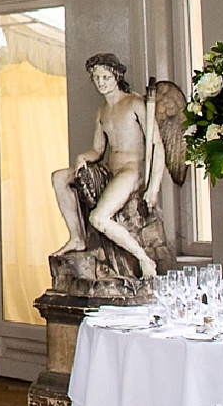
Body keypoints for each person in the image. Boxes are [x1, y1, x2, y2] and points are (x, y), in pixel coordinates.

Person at [50, 53, 185, 281]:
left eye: (105, 77)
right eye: (96, 78)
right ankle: (77, 237)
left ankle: (144, 259)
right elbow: (98, 149)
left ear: (117, 76)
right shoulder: (103, 111)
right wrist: (84, 157)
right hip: (110, 171)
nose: (101, 82)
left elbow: (157, 147)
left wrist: (153, 188)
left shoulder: (133, 103)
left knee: (99, 218)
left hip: (131, 172)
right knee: (60, 177)